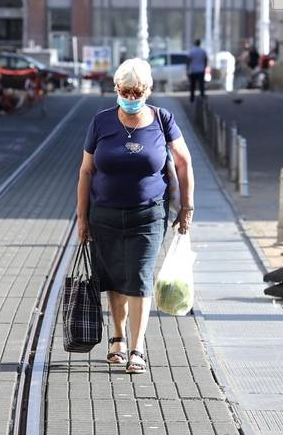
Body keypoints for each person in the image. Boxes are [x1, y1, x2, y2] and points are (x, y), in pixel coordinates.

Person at [77, 58, 195, 375]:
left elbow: (183, 163)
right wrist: (82, 218)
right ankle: (116, 339)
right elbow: (86, 170)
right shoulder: (101, 122)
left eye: (137, 91)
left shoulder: (163, 119)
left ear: (148, 89)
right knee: (115, 279)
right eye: (126, 91)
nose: (131, 98)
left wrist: (187, 206)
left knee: (139, 279)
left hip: (149, 214)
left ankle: (136, 347)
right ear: (116, 89)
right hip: (105, 216)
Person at [186, 39, 208, 103]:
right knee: (201, 85)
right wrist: (204, 67)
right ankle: (202, 96)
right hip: (201, 70)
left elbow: (188, 60)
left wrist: (187, 69)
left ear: (194, 43)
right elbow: (206, 59)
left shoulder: (192, 51)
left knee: (192, 85)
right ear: (200, 43)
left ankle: (192, 98)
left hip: (193, 70)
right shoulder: (203, 51)